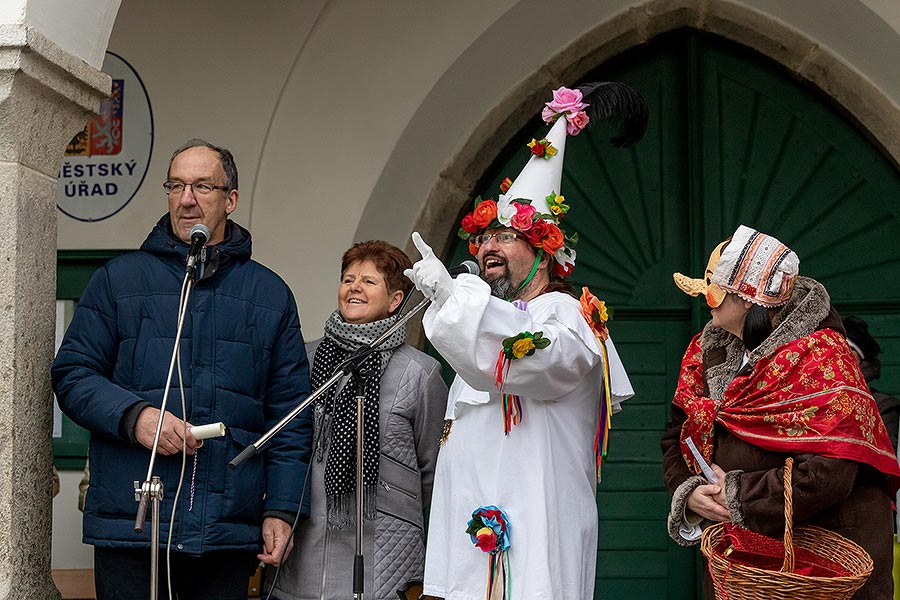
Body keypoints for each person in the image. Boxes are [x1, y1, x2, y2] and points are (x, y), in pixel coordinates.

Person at [406, 83, 645, 599]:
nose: (488, 246)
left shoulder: (568, 316)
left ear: (544, 252)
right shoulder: (488, 315)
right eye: (484, 237)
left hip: (533, 545)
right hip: (470, 546)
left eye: (505, 237)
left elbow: (535, 358)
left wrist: (459, 302)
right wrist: (456, 304)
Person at [52, 139, 313, 600]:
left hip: (226, 525)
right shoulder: (119, 280)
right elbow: (73, 373)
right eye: (176, 185)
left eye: (201, 186)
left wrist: (284, 510)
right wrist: (137, 417)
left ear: (230, 199)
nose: (186, 198)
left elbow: (290, 416)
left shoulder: (269, 295)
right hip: (133, 518)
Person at [661, 225, 900, 599]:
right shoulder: (705, 353)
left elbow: (832, 471)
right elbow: (677, 435)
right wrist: (688, 493)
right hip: (744, 570)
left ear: (749, 299)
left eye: (717, 291)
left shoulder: (821, 358)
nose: (706, 300)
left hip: (820, 564)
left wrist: (740, 495)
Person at [269, 240, 448, 600]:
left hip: (382, 549)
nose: (354, 287)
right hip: (305, 543)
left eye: (369, 281)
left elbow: (435, 470)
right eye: (349, 279)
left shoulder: (420, 373)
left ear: (396, 300)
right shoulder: (304, 358)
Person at [842, 315, 900, 452]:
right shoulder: (810, 402)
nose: (839, 353)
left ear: (862, 359)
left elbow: (886, 461)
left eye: (847, 347)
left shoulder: (883, 407)